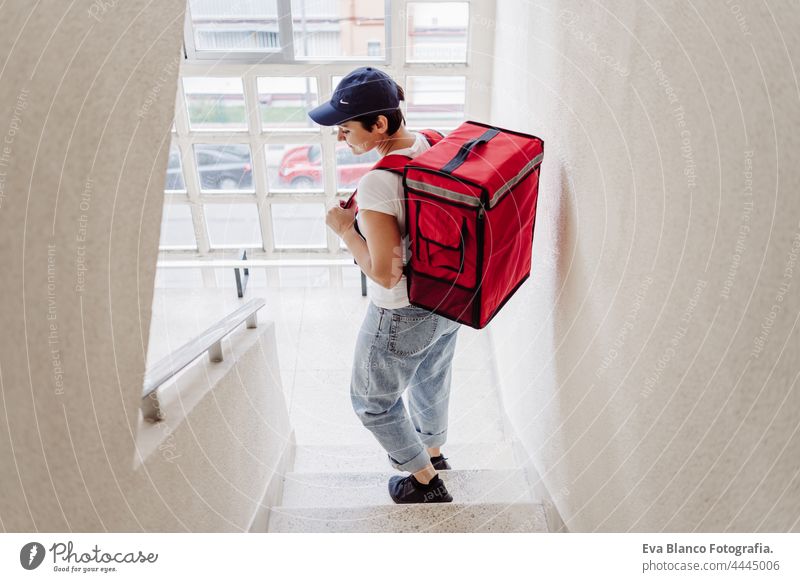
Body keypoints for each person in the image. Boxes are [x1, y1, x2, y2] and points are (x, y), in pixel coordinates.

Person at [309, 67, 461, 504]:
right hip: (448, 298)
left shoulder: (379, 182)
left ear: (380, 124)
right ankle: (433, 451)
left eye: (346, 128)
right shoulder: (431, 143)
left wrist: (344, 229)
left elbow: (385, 272)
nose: (341, 138)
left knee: (371, 402)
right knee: (431, 378)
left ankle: (424, 482)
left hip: (402, 310)